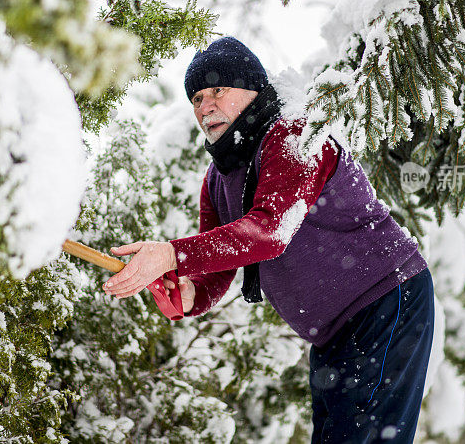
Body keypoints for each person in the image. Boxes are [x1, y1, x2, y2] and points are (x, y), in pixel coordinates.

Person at [103, 36, 435, 443]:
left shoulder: (294, 133)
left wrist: (172, 254)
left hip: (385, 299)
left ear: (252, 88)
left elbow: (269, 231)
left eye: (218, 90)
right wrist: (189, 293)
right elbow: (219, 259)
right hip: (333, 331)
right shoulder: (218, 178)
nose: (205, 106)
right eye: (197, 98)